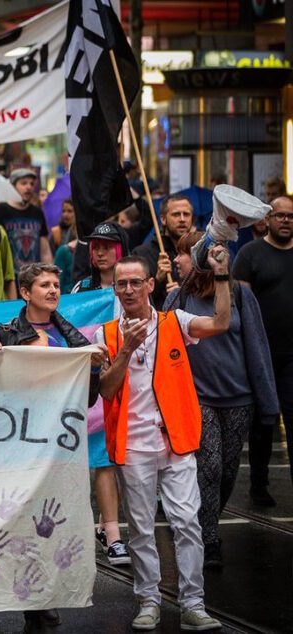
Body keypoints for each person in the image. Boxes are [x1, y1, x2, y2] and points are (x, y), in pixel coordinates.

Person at [96, 252, 231, 631]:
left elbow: (221, 322)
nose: (127, 290)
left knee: (187, 522)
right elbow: (106, 391)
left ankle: (193, 604)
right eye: (121, 284)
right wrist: (124, 349)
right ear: (114, 288)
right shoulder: (104, 334)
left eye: (135, 282)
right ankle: (149, 600)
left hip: (176, 442)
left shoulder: (176, 322)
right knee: (140, 528)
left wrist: (221, 274)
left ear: (150, 285)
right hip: (134, 446)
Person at [0, 263, 116, 630]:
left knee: (51, 522)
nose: (54, 290)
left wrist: (90, 365)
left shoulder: (73, 338)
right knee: (21, 521)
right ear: (26, 293)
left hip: (57, 445)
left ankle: (42, 596)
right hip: (20, 444)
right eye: (45, 285)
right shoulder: (7, 333)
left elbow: (88, 398)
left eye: (56, 284)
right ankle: (28, 598)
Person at [167, 232, 278, 566]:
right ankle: (209, 539)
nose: (176, 260)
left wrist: (267, 403)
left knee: (229, 471)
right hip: (199, 398)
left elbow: (257, 347)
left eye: (182, 255)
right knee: (210, 468)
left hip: (239, 398)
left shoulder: (240, 293)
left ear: (198, 260)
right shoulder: (178, 298)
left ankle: (207, 522)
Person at [233, 195, 293, 506]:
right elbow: (241, 306)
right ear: (266, 220)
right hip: (261, 354)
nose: (286, 220)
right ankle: (259, 483)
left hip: (292, 357)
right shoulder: (249, 254)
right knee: (263, 422)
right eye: (280, 215)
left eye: (290, 216)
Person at [133, 194, 194, 309]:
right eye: (176, 214)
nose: (182, 219)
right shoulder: (142, 253)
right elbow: (135, 298)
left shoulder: (198, 251)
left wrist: (182, 292)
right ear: (163, 219)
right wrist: (157, 280)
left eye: (186, 214)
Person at [0, 168, 53, 269]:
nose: (28, 187)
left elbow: (45, 250)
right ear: (12, 186)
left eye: (31, 184)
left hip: (33, 278)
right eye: (24, 183)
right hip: (8, 277)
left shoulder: (37, 213)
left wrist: (49, 273)